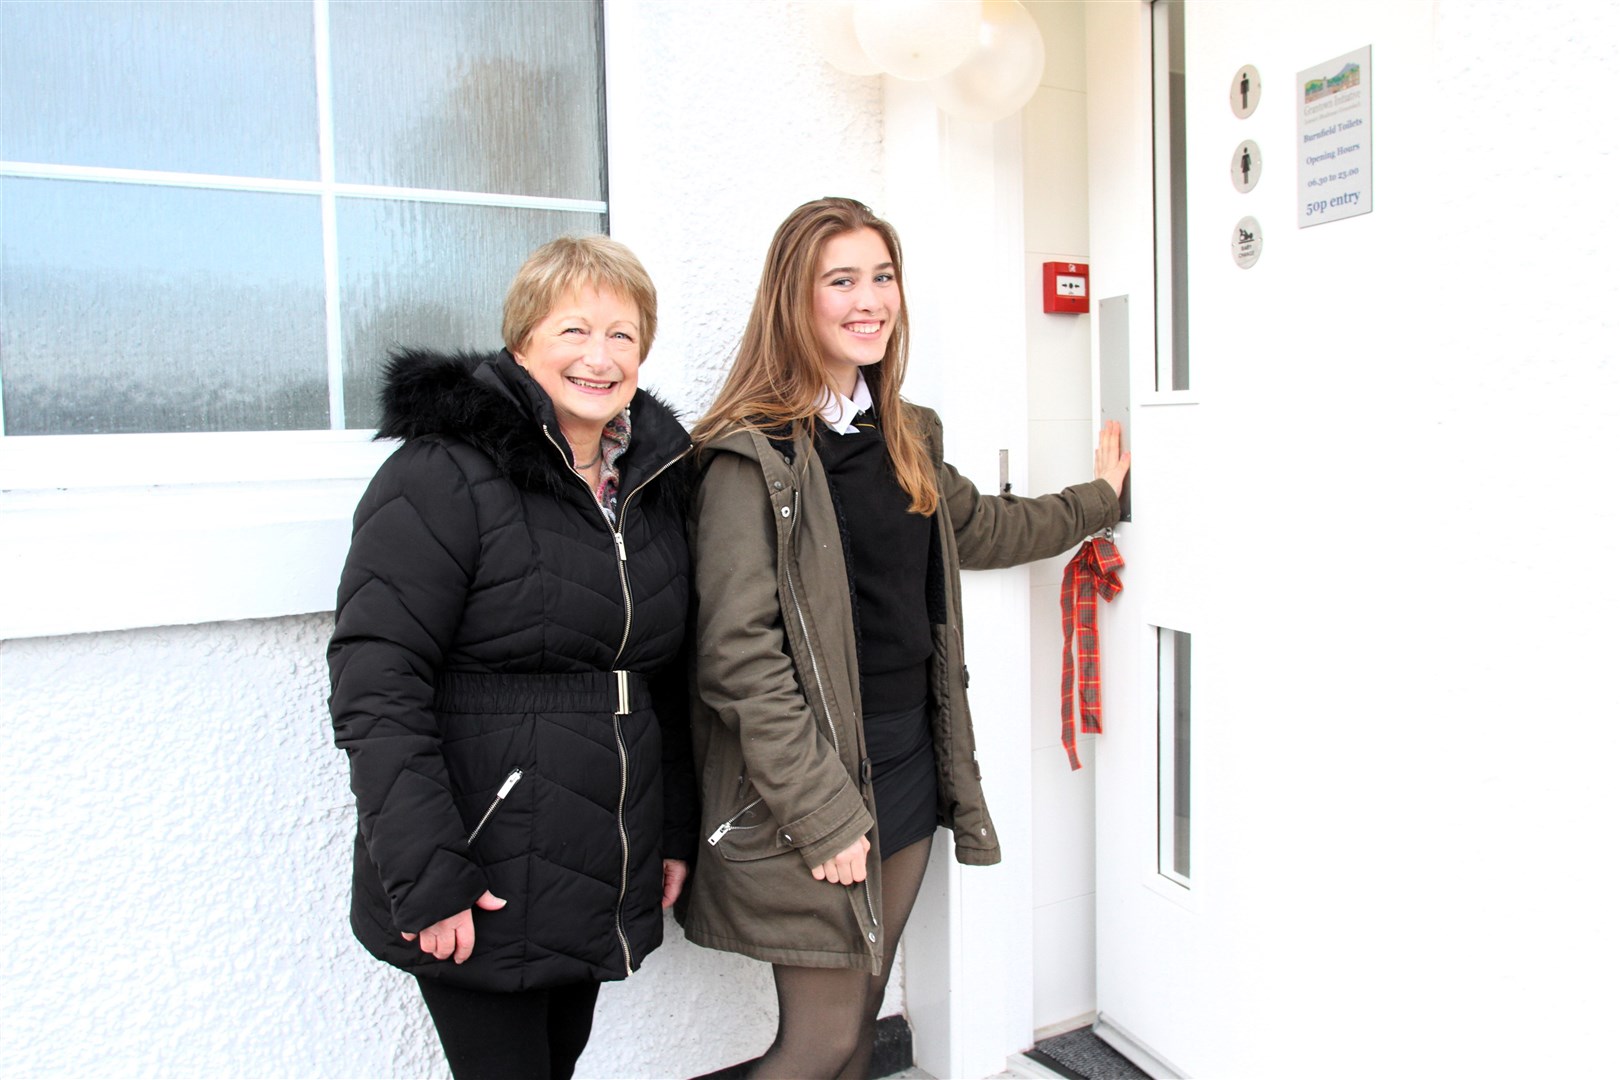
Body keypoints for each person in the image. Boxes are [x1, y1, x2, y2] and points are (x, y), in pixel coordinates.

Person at [682, 197, 1130, 1079]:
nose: (869, 300)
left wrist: (1100, 500)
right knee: (819, 1043)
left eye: (881, 277)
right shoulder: (752, 457)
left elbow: (985, 527)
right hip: (812, 781)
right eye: (841, 280)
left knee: (855, 1037)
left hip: (908, 761)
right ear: (793, 300)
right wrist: (820, 811)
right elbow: (740, 659)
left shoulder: (903, 432)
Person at [328, 234, 697, 1080]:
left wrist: (671, 828)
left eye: (622, 336)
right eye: (573, 331)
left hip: (596, 861)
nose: (599, 359)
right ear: (522, 339)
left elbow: (658, 678)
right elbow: (376, 681)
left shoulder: (648, 485)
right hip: (482, 862)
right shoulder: (440, 475)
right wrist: (429, 877)